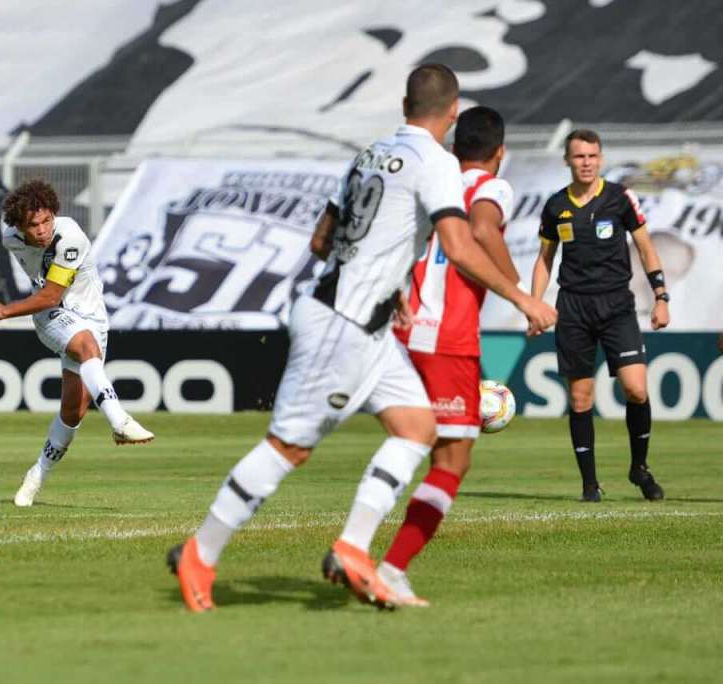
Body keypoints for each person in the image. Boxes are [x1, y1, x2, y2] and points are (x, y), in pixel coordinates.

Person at [166, 65, 557, 612]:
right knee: (289, 448)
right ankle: (200, 553)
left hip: (367, 323)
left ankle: (353, 548)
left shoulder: (367, 155)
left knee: (417, 428)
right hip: (342, 323)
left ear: (403, 105)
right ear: (451, 113)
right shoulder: (438, 162)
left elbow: (324, 240)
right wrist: (524, 299)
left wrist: (387, 276)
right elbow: (462, 245)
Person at [380, 106, 519, 606]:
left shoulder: (428, 181)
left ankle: (361, 551)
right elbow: (482, 231)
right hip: (449, 338)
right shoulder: (490, 186)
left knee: (411, 442)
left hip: (405, 329)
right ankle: (386, 566)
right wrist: (518, 289)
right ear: (499, 152)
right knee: (451, 460)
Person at [0, 179, 154, 507]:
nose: (43, 230)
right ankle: (120, 421)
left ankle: (37, 474)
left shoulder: (70, 236)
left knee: (73, 412)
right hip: (52, 316)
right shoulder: (9, 239)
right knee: (86, 346)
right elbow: (49, 299)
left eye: (47, 220)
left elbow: (50, 291)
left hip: (90, 316)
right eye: (34, 225)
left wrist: (4, 310)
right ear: (19, 226)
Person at [531, 129, 669, 502]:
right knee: (580, 400)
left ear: (601, 158)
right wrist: (535, 305)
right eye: (579, 156)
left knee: (636, 390)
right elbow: (544, 260)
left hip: (616, 306)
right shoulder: (555, 206)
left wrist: (661, 296)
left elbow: (645, 247)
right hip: (573, 307)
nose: (586, 162)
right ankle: (589, 485)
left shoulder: (620, 198)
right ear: (567, 161)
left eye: (592, 155)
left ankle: (639, 468)